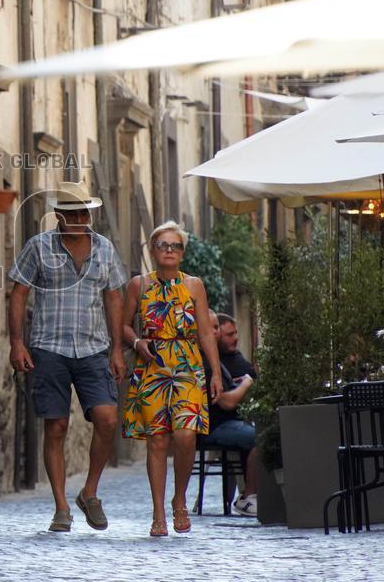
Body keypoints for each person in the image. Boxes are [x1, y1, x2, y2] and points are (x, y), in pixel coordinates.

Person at [8, 180, 127, 533]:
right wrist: (17, 343)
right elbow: (18, 294)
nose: (79, 218)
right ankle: (62, 507)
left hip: (93, 348)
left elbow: (114, 298)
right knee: (56, 426)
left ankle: (89, 491)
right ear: (57, 214)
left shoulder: (104, 249)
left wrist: (117, 349)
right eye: (72, 212)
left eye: (84, 212)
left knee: (107, 419)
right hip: (49, 346)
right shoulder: (38, 247)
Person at [122, 221, 223, 537]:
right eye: (162, 245)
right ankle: (158, 512)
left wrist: (216, 371)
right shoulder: (138, 285)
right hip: (152, 365)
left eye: (175, 246)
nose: (169, 250)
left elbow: (206, 331)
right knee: (158, 439)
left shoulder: (194, 285)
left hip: (188, 364)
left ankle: (179, 497)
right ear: (152, 250)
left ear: (182, 253)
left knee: (185, 435)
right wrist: (137, 342)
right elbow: (124, 326)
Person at [204, 312, 259, 517]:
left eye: (218, 328)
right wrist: (245, 384)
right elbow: (226, 402)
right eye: (214, 328)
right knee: (260, 437)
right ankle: (248, 497)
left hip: (230, 422)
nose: (216, 333)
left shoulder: (221, 359)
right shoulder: (205, 361)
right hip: (216, 425)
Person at [215, 312, 257, 380]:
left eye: (236, 333)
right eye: (230, 334)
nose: (236, 338)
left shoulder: (237, 358)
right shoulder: (207, 361)